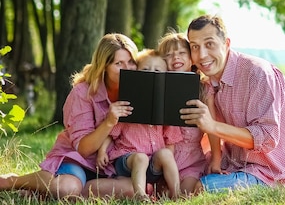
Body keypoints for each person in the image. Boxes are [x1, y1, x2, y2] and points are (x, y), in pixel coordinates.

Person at [0, 34, 138, 199]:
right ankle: (13, 181)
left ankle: (48, 191)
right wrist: (108, 122)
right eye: (119, 63)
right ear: (104, 66)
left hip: (111, 165)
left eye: (131, 62)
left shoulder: (138, 92)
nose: (127, 68)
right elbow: (84, 149)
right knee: (67, 189)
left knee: (132, 189)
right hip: (78, 159)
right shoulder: (82, 93)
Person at [180, 14, 285, 192]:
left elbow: (267, 138)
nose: (202, 55)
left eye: (210, 44)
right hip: (233, 163)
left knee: (201, 188)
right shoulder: (208, 84)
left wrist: (212, 126)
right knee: (180, 178)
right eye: (195, 47)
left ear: (227, 44)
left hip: (269, 173)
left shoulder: (257, 74)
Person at [97, 49, 182, 200]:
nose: (151, 74)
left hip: (152, 165)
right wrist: (102, 151)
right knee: (141, 158)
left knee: (166, 153)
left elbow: (171, 142)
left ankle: (177, 193)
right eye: (145, 70)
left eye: (157, 71)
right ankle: (140, 195)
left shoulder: (165, 108)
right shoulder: (127, 105)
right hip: (127, 161)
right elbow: (111, 133)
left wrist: (165, 162)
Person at [157, 31, 222, 196]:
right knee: (160, 195)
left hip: (191, 161)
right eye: (169, 55)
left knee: (185, 194)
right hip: (161, 161)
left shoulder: (203, 89)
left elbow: (212, 128)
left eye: (181, 53)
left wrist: (216, 158)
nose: (175, 58)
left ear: (192, 59)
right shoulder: (157, 88)